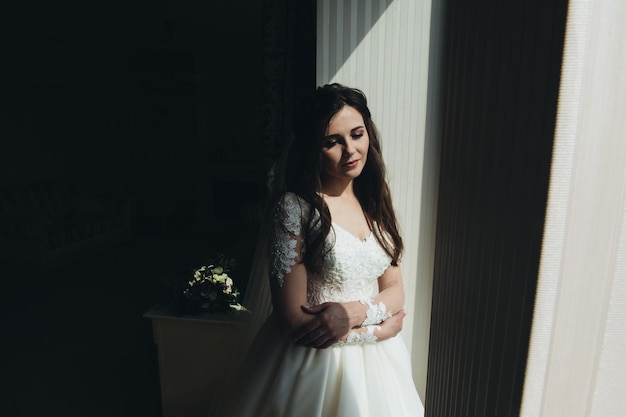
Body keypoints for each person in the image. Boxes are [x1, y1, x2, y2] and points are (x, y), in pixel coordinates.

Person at [222, 83, 424, 417]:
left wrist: (354, 317)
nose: (350, 151)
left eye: (357, 134)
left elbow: (395, 289)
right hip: (311, 365)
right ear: (312, 148)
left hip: (381, 371)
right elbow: (291, 323)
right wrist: (374, 332)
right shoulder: (295, 209)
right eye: (332, 142)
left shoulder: (374, 198)